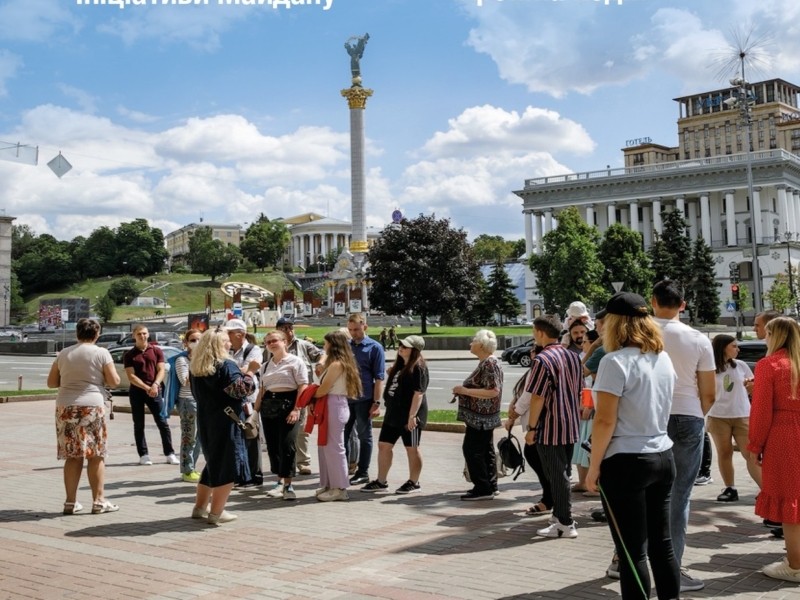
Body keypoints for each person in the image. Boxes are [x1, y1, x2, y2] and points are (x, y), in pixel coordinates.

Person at [585, 292, 680, 600]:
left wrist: (593, 468)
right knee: (661, 545)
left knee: (632, 551)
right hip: (662, 454)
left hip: (626, 460)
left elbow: (604, 421)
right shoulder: (662, 357)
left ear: (615, 324)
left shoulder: (615, 362)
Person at [651, 279, 715, 593]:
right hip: (688, 415)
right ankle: (672, 568)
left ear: (653, 301)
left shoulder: (640, 334)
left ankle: (624, 559)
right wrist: (696, 414)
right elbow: (709, 392)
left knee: (640, 491)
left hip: (649, 416)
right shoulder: (699, 339)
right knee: (678, 497)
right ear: (683, 305)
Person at [48, 318, 121, 515]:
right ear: (97, 334)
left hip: (65, 406)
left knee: (72, 455)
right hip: (91, 406)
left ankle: (70, 502)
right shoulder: (101, 353)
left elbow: (51, 382)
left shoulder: (63, 353)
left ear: (77, 334)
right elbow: (114, 381)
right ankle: (99, 501)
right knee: (96, 454)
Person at [190, 327, 259, 525]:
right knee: (228, 466)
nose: (230, 343)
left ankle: (200, 507)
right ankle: (217, 512)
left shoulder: (197, 367)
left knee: (212, 464)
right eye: (226, 340)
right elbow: (240, 391)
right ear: (220, 345)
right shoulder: (226, 366)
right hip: (226, 421)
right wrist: (250, 372)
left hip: (206, 419)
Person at [749, 317, 800, 582]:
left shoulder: (769, 365)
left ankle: (795, 565)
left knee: (790, 502)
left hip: (785, 436)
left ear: (775, 335)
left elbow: (761, 412)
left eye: (767, 333)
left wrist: (754, 445)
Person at [525, 314, 583, 538]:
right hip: (570, 422)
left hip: (550, 425)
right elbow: (578, 389)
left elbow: (537, 397)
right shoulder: (572, 357)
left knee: (556, 475)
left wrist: (531, 428)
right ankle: (560, 516)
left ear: (540, 333)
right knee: (564, 472)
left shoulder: (542, 359)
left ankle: (565, 522)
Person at [361, 335, 428, 495]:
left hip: (409, 415)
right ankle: (381, 481)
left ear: (415, 350)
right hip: (393, 414)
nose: (401, 348)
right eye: (400, 345)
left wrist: (412, 416)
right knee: (384, 445)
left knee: (412, 448)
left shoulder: (419, 367)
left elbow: (418, 394)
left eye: (405, 347)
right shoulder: (399, 365)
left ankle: (414, 482)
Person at [256, 330, 308, 501]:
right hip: (269, 406)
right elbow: (262, 390)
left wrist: (297, 409)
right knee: (273, 446)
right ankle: (278, 481)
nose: (271, 344)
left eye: (274, 340)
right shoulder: (265, 365)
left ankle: (288, 484)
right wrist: (255, 413)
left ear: (285, 342)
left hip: (289, 404)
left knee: (287, 444)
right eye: (268, 342)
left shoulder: (295, 362)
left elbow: (302, 387)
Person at [708, 334, 761, 502]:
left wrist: (751, 384)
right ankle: (730, 488)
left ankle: (766, 491)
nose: (738, 349)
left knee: (750, 454)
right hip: (718, 416)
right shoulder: (710, 368)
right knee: (724, 453)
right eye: (734, 346)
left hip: (742, 415)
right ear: (723, 347)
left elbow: (753, 386)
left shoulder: (741, 365)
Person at [314, 329, 363, 502]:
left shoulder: (337, 365)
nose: (323, 345)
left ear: (333, 345)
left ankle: (339, 487)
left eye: (326, 342)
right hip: (332, 404)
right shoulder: (336, 362)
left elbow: (323, 388)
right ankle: (329, 484)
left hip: (333, 404)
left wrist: (310, 394)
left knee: (334, 447)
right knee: (326, 446)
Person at [454, 329, 503, 501]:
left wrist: (464, 390)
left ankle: (482, 487)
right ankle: (490, 485)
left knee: (472, 449)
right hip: (483, 417)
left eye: (474, 341)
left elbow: (493, 391)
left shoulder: (489, 364)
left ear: (481, 345)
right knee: (485, 450)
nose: (471, 343)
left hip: (481, 417)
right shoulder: (488, 362)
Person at [505, 344, 553, 516]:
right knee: (538, 458)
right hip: (539, 421)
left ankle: (550, 499)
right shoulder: (536, 368)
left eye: (533, 351)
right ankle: (549, 497)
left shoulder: (538, 367)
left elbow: (529, 396)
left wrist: (514, 414)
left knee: (535, 456)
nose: (531, 354)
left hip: (539, 422)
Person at [123, 324, 178, 466]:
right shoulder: (129, 355)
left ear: (148, 334)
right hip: (137, 392)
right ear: (134, 335)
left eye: (145, 333)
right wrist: (147, 387)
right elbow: (131, 376)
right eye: (139, 334)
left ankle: (170, 453)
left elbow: (161, 370)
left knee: (162, 422)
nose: (142, 336)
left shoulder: (156, 350)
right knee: (139, 424)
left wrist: (155, 385)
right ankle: (143, 455)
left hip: (155, 391)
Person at [274, 317, 323, 476]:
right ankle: (287, 462)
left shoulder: (303, 345)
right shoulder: (273, 347)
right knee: (283, 430)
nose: (288, 331)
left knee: (302, 429)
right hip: (281, 394)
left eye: (290, 327)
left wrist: (321, 364)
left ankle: (303, 462)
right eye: (284, 328)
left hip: (303, 394)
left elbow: (321, 354)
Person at [345, 313, 385, 486]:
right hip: (346, 398)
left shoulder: (374, 347)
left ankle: (363, 472)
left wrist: (376, 403)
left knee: (364, 435)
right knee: (342, 436)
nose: (354, 333)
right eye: (351, 330)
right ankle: (343, 468)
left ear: (365, 327)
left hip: (364, 399)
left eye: (357, 329)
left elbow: (379, 378)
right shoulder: (346, 346)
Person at [225, 318, 263, 487]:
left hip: (249, 400)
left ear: (240, 334)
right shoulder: (229, 351)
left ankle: (255, 475)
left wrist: (232, 371)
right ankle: (240, 475)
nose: (227, 336)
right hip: (233, 400)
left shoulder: (253, 350)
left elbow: (247, 371)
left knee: (251, 435)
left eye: (230, 333)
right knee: (237, 438)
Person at [175, 328, 203, 483]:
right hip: (188, 401)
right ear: (186, 343)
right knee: (188, 437)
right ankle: (186, 470)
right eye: (193, 340)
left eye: (199, 340)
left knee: (200, 437)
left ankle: (192, 468)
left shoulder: (203, 359)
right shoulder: (182, 360)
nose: (196, 343)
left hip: (201, 401)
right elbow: (185, 380)